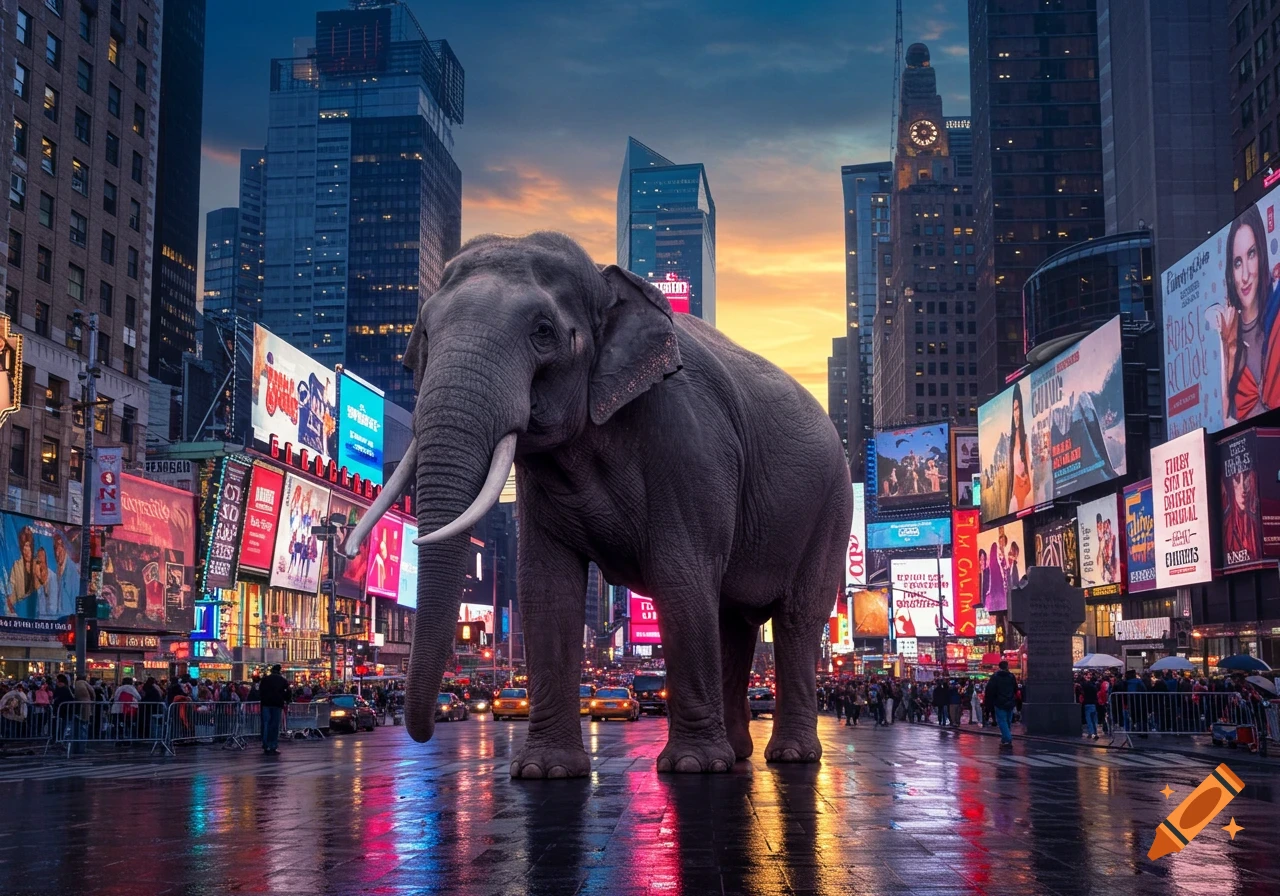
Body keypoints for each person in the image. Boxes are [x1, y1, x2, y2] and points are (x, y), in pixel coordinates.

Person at [1214, 203, 1280, 423]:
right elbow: (1225, 418)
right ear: (1230, 272)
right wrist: (1229, 350)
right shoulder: (1228, 333)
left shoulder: (1276, 316)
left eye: (1251, 254)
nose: (1245, 275)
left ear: (1261, 254)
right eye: (1237, 262)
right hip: (1246, 452)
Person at [1006, 383, 1033, 513]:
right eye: (1013, 410)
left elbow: (1028, 464)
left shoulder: (1024, 439)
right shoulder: (1010, 442)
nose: (1015, 413)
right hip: (1015, 493)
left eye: (1017, 408)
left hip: (1025, 490)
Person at [258, 664, 291, 754]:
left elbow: (260, 690)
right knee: (275, 725)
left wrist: (263, 699)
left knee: (266, 724)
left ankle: (266, 745)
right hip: (277, 704)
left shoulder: (265, 679)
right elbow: (288, 691)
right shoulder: (282, 680)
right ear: (279, 671)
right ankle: (273, 745)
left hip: (266, 704)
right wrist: (286, 700)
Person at [989, 660, 1018, 745]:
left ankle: (1007, 737)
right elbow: (1015, 688)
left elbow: (991, 690)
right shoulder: (1011, 676)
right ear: (1007, 666)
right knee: (1008, 720)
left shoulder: (995, 677)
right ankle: (1005, 738)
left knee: (1002, 721)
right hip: (1010, 701)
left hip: (999, 702)